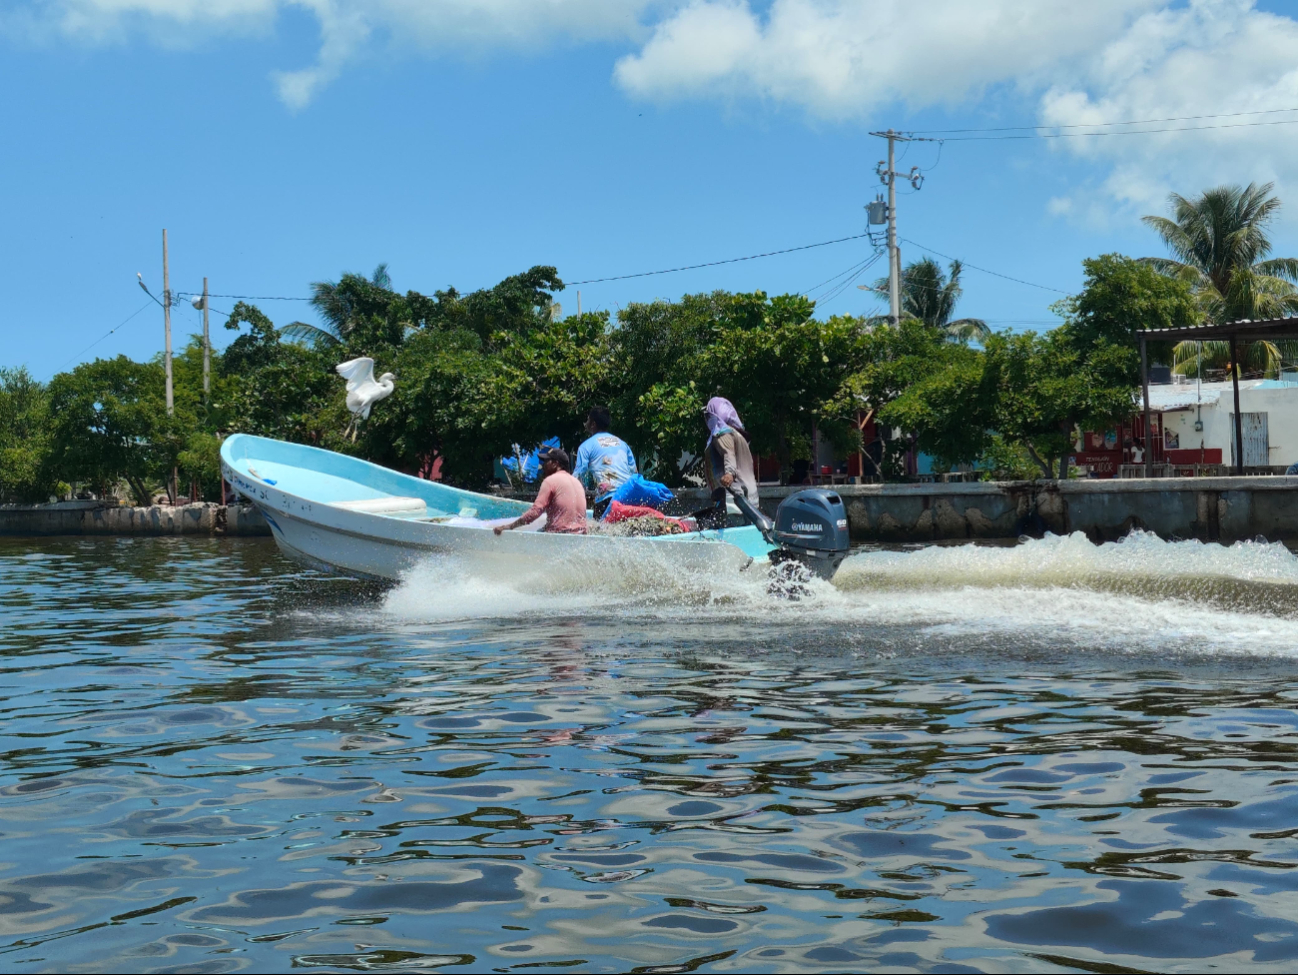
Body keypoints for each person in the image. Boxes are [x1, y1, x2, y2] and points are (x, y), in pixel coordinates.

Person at [494, 446, 587, 535]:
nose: (543, 465)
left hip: (559, 535)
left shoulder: (550, 481)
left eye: (546, 461)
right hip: (580, 534)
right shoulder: (577, 482)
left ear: (555, 464)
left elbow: (535, 512)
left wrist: (510, 526)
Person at [573, 406, 638, 498]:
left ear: (593, 424)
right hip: (628, 496)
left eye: (588, 419)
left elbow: (578, 475)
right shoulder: (623, 444)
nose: (586, 423)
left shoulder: (585, 446)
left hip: (607, 497)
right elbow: (634, 473)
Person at [703, 396, 758, 503]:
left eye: (708, 415)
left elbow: (728, 453)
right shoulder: (737, 434)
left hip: (733, 496)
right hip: (749, 495)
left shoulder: (721, 433)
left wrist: (729, 473)